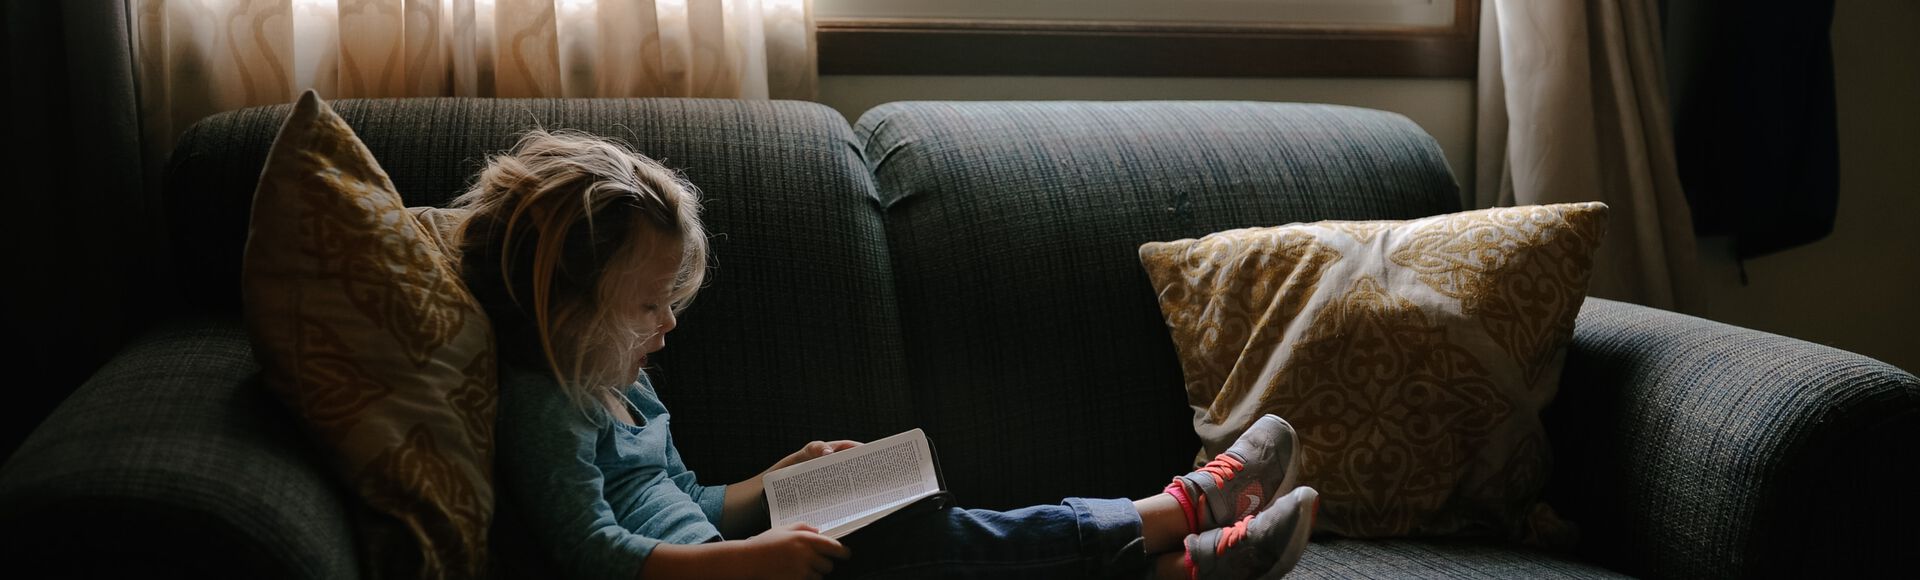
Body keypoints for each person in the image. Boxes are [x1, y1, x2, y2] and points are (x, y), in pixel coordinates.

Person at [455, 129, 1321, 580]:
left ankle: (1185, 566)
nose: (667, 329)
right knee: (930, 551)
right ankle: (1182, 509)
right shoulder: (544, 408)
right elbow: (596, 555)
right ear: (563, 303)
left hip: (736, 568)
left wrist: (776, 480)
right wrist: (746, 562)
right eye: (646, 306)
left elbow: (683, 499)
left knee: (927, 535)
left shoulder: (619, 384)